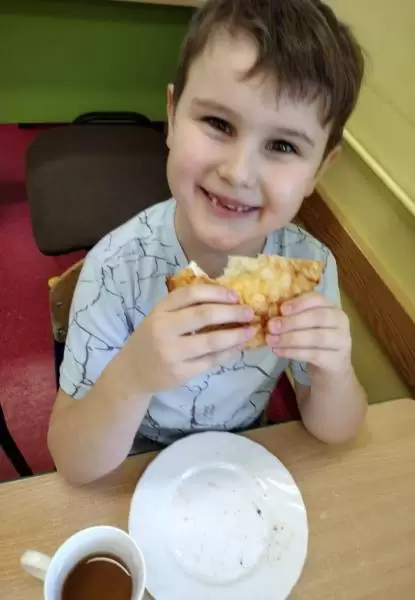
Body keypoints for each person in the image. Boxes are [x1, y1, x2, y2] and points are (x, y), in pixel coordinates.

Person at [48, 0, 368, 484]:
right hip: (131, 462)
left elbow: (338, 431)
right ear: (172, 115)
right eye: (219, 124)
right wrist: (134, 374)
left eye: (283, 146)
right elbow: (72, 461)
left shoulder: (309, 267)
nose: (238, 172)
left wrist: (333, 373)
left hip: (241, 463)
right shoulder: (114, 270)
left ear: (318, 171)